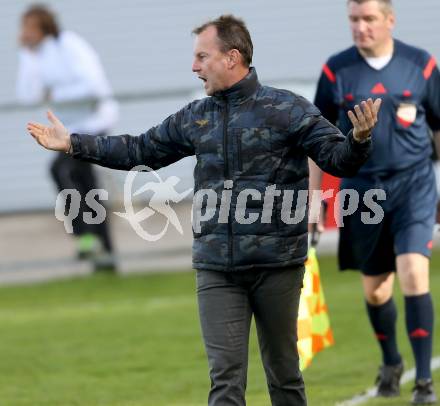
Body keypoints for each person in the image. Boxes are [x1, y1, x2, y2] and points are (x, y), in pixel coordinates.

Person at [27, 14, 380, 406]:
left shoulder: (287, 109)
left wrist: (359, 139)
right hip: (217, 268)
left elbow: (338, 159)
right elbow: (139, 150)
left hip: (277, 265)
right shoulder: (197, 115)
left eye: (201, 56)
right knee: (225, 382)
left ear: (231, 58)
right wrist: (73, 143)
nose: (194, 67)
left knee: (284, 376)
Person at [310, 0, 440, 403]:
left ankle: (423, 380)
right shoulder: (336, 71)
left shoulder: (421, 65)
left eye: (368, 19)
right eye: (353, 19)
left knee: (414, 274)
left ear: (389, 20)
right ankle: (391, 361)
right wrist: (316, 201)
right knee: (377, 291)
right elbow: (316, 141)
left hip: (414, 185)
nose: (360, 27)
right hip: (362, 192)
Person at [16, 4, 119, 269]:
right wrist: (26, 55)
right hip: (69, 129)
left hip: (95, 122)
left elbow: (93, 85)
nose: (24, 33)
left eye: (29, 27)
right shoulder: (34, 56)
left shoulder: (70, 45)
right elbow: (27, 95)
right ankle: (106, 257)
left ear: (43, 26)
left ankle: (85, 236)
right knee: (87, 185)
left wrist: (55, 94)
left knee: (61, 169)